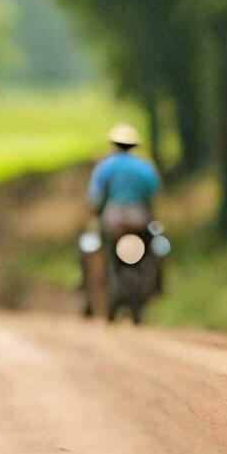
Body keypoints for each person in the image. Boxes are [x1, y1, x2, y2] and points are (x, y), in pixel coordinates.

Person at [83, 124, 160, 313]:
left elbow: (95, 197)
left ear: (113, 144)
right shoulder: (144, 168)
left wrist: (96, 215)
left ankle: (88, 285)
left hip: (113, 218)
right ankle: (157, 283)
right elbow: (153, 194)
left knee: (91, 246)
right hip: (139, 218)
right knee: (156, 247)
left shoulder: (105, 167)